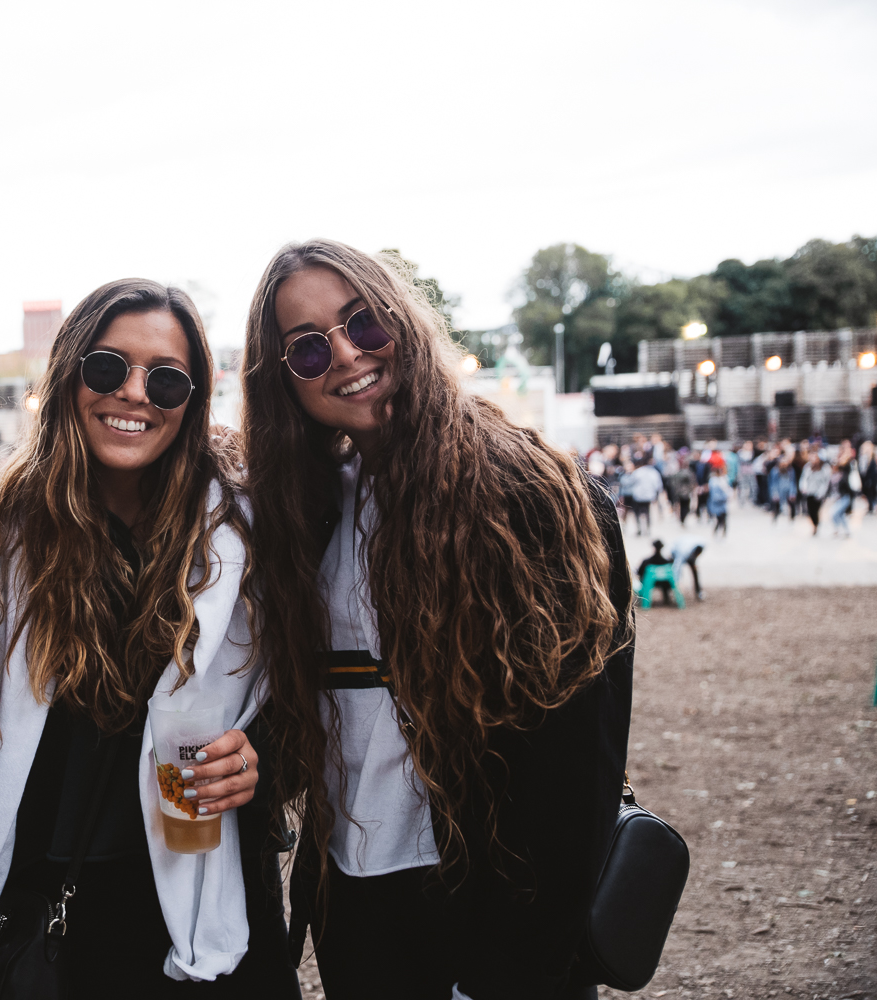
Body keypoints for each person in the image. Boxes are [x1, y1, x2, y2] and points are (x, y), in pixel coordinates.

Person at [242, 241, 632, 1000]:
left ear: (404, 323)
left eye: (365, 324)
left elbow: (579, 765)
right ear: (285, 380)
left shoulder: (531, 494)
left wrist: (517, 965)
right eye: (309, 347)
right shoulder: (311, 502)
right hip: (355, 898)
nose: (348, 354)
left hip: (490, 898)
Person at [0, 280, 289, 998]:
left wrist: (263, 756)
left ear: (193, 399)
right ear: (71, 375)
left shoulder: (243, 530)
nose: (135, 394)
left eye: (167, 380)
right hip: (40, 896)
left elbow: (302, 693)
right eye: (108, 368)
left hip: (193, 896)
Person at [623, 456, 663, 536]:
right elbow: (657, 484)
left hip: (638, 496)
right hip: (648, 496)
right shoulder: (653, 472)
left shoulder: (637, 472)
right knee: (647, 512)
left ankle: (639, 529)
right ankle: (647, 529)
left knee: (637, 512)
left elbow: (631, 482)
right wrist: (656, 494)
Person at [830, 440, 858, 538]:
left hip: (845, 495)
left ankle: (840, 530)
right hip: (839, 496)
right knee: (839, 515)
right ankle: (844, 530)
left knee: (835, 514)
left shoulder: (847, 469)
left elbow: (849, 486)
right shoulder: (834, 475)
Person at [667, 534, 707, 601]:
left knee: (695, 571)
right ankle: (673, 591)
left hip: (687, 550)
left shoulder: (701, 544)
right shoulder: (682, 553)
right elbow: (677, 568)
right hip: (676, 552)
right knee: (673, 572)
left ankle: (698, 591)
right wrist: (679, 584)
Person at [636, 540, 676, 605]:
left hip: (650, 582)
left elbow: (639, 572)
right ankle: (666, 598)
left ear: (653, 547)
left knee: (645, 579)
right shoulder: (667, 562)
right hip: (665, 583)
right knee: (665, 577)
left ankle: (644, 599)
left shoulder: (646, 561)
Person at [798, 451, 829, 536]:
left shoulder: (824, 468)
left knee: (816, 510)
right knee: (810, 511)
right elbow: (804, 478)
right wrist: (803, 488)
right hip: (809, 492)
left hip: (818, 493)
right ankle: (814, 524)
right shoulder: (807, 467)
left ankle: (816, 525)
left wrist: (821, 493)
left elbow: (825, 482)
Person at [858, 440, 877, 515]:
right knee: (867, 494)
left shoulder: (872, 457)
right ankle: (871, 506)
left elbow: (873, 470)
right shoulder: (863, 457)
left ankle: (872, 507)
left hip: (871, 480)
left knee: (872, 494)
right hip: (865, 479)